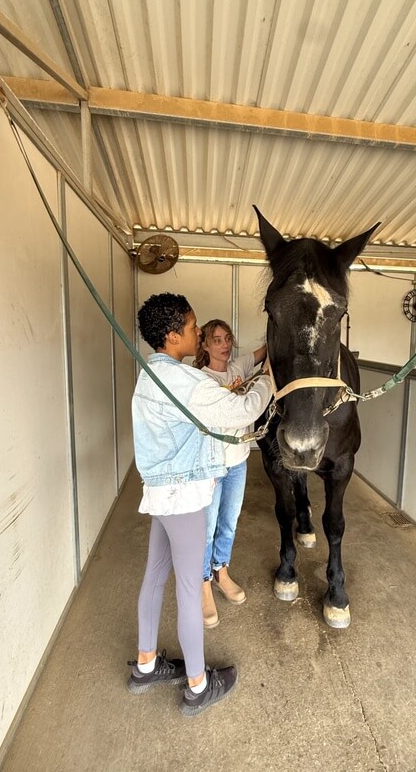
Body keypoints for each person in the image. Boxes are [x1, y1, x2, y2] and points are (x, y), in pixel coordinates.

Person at [127, 294, 273, 716]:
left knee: (155, 577)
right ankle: (196, 685)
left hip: (161, 494)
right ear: (173, 336)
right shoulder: (182, 381)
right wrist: (270, 379)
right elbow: (243, 408)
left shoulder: (150, 374)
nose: (197, 334)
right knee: (191, 589)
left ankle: (146, 665)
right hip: (185, 495)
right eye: (192, 329)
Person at [193, 320, 267, 628]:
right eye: (216, 339)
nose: (224, 344)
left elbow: (267, 353)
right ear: (206, 346)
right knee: (207, 527)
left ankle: (222, 571)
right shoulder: (202, 379)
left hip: (238, 461)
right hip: (212, 464)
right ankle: (203, 583)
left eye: (227, 339)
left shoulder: (239, 364)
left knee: (229, 522)